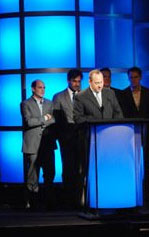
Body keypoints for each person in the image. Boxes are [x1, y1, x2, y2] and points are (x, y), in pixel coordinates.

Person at [73, 69, 123, 207]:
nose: (100, 85)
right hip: (90, 140)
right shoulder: (80, 96)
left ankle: (110, 196)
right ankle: (88, 200)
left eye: (101, 82)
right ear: (89, 82)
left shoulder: (110, 93)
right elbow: (77, 118)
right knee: (88, 170)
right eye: (97, 83)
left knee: (109, 169)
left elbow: (118, 113)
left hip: (109, 141)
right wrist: (95, 121)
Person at [21, 80, 56, 209]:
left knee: (50, 173)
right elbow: (29, 122)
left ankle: (49, 202)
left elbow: (53, 119)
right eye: (40, 87)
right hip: (33, 144)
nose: (43, 90)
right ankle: (32, 202)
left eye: (44, 88)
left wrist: (44, 121)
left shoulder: (49, 103)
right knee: (33, 174)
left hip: (47, 143)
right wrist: (44, 119)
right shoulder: (25, 104)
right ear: (33, 89)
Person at [121, 66, 149, 202]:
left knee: (146, 163)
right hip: (129, 134)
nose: (133, 80)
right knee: (130, 163)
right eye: (131, 77)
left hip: (146, 132)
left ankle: (147, 194)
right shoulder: (123, 94)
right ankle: (131, 192)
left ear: (140, 77)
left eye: (135, 77)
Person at [53, 69, 83, 208]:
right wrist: (62, 137)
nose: (77, 84)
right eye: (74, 81)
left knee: (81, 168)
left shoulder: (85, 95)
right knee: (67, 168)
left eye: (78, 81)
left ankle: (80, 200)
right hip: (67, 136)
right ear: (68, 81)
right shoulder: (59, 96)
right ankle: (68, 200)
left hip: (82, 134)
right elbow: (57, 120)